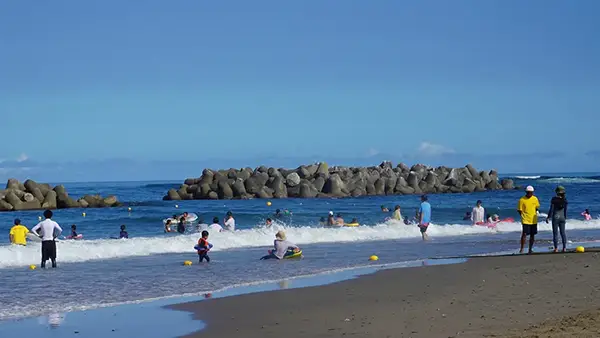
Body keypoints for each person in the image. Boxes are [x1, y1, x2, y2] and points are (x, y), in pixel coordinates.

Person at [518, 185, 540, 254]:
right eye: (528, 192)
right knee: (524, 234)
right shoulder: (522, 200)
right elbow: (519, 210)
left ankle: (530, 249)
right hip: (525, 219)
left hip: (533, 220)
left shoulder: (535, 199)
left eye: (531, 192)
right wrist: (523, 216)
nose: (530, 194)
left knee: (532, 235)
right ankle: (522, 248)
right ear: (526, 192)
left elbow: (536, 207)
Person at [546, 186, 568, 253]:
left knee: (555, 234)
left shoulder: (554, 199)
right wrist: (565, 217)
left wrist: (548, 217)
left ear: (556, 192)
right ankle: (564, 248)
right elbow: (565, 211)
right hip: (562, 217)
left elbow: (552, 209)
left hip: (556, 217)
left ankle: (556, 249)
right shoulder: (565, 200)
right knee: (563, 233)